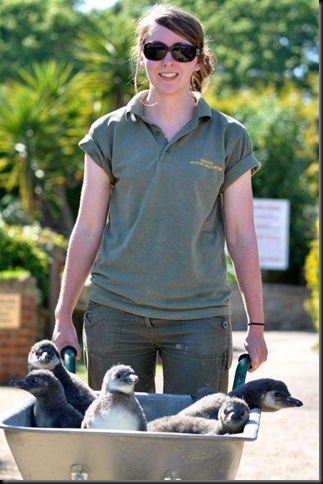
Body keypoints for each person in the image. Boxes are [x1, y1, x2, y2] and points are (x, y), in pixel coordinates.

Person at [52, 3, 268, 394]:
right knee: (118, 446)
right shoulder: (109, 132)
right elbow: (87, 228)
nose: (169, 61)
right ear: (142, 56)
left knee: (192, 445)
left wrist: (256, 325)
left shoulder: (228, 136)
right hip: (115, 313)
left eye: (182, 51)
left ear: (199, 60)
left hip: (199, 317)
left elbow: (242, 236)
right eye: (156, 50)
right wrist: (63, 315)